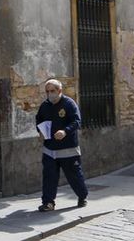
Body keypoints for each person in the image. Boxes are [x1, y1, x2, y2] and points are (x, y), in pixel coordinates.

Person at [35, 79, 88, 212]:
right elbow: (39, 119)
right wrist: (40, 131)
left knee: (74, 176)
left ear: (59, 91)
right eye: (47, 91)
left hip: (68, 149)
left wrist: (65, 131)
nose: (50, 94)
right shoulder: (45, 106)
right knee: (49, 177)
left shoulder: (69, 104)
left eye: (52, 91)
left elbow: (76, 121)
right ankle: (48, 203)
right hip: (49, 149)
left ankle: (82, 196)